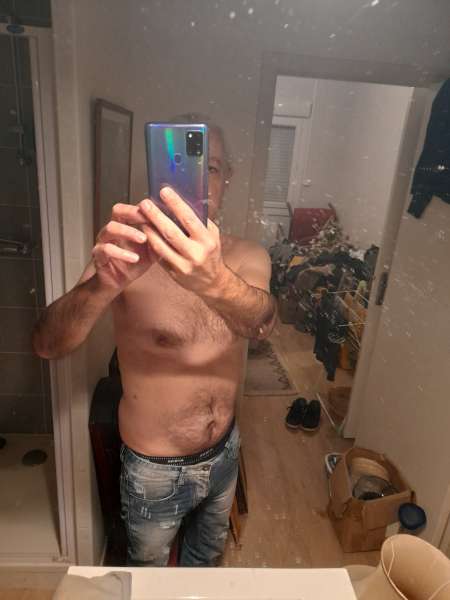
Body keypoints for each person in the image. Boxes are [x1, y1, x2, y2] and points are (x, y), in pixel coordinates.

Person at [32, 117, 277, 566]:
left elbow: (260, 324)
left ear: (227, 178)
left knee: (206, 557)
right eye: (185, 167)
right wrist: (103, 284)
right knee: (150, 578)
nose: (200, 182)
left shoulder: (248, 256)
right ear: (159, 178)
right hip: (154, 470)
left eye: (212, 168)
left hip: (224, 452)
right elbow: (48, 344)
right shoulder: (126, 255)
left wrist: (214, 281)